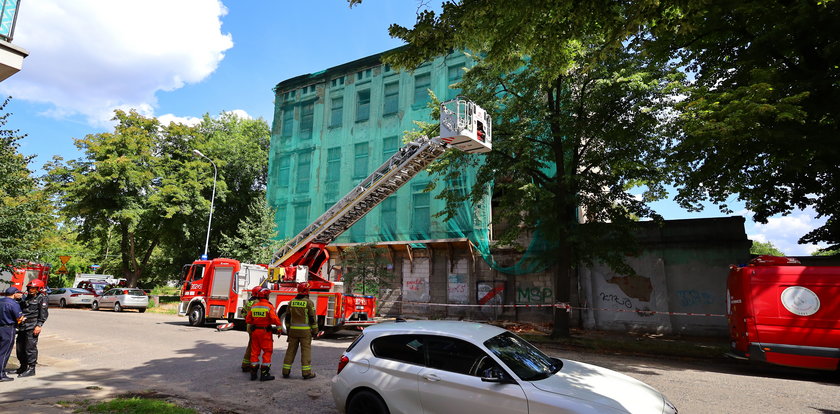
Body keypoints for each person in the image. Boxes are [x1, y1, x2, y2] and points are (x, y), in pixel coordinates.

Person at [281, 282, 318, 380]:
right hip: (305, 333)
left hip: (293, 332)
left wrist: (288, 330)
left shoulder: (292, 302)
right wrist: (315, 331)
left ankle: (285, 371)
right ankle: (306, 373)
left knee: (290, 351)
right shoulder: (309, 303)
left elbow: (287, 318)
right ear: (306, 291)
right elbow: (312, 318)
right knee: (305, 352)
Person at [245, 287, 282, 381]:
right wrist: (279, 328)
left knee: (255, 352)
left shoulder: (254, 306)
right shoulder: (269, 306)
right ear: (266, 296)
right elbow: (275, 319)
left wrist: (256, 322)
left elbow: (248, 319)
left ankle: (253, 373)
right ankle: (264, 374)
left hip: (255, 331)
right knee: (267, 351)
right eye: (268, 295)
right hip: (265, 332)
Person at [15, 279, 49, 377]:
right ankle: (23, 367)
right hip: (22, 326)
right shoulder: (26, 297)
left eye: (33, 288)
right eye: (30, 288)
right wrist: (19, 299)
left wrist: (39, 325)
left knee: (30, 348)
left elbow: (44, 314)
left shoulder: (42, 298)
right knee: (20, 347)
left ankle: (31, 368)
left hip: (32, 325)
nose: (31, 290)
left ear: (38, 289)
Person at [1, 287, 24, 382]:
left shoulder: (1, 301)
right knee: (4, 352)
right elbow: (19, 318)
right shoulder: (13, 304)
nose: (21, 294)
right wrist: (23, 319)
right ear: (14, 294)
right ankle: (1, 374)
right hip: (8, 329)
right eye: (19, 293)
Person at [240, 286, 260, 372]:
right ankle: (248, 364)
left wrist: (247, 320)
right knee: (253, 346)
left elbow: (243, 312)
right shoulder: (257, 302)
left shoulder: (249, 301)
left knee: (251, 344)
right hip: (254, 326)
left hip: (249, 325)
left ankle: (247, 363)